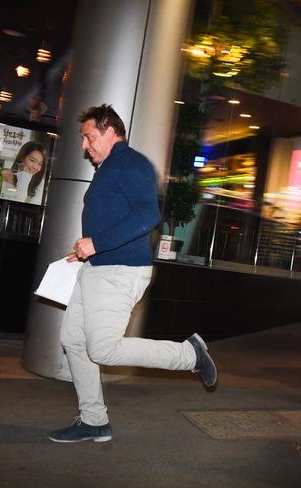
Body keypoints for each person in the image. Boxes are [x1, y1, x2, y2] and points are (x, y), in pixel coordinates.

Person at [49, 104, 217, 443]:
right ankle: (94, 420)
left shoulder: (131, 163)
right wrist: (86, 250)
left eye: (90, 137)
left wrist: (97, 243)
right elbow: (115, 217)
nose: (86, 145)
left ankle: (190, 355)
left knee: (103, 350)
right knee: (73, 341)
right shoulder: (109, 167)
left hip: (120, 271)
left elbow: (148, 214)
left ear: (111, 132)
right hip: (97, 268)